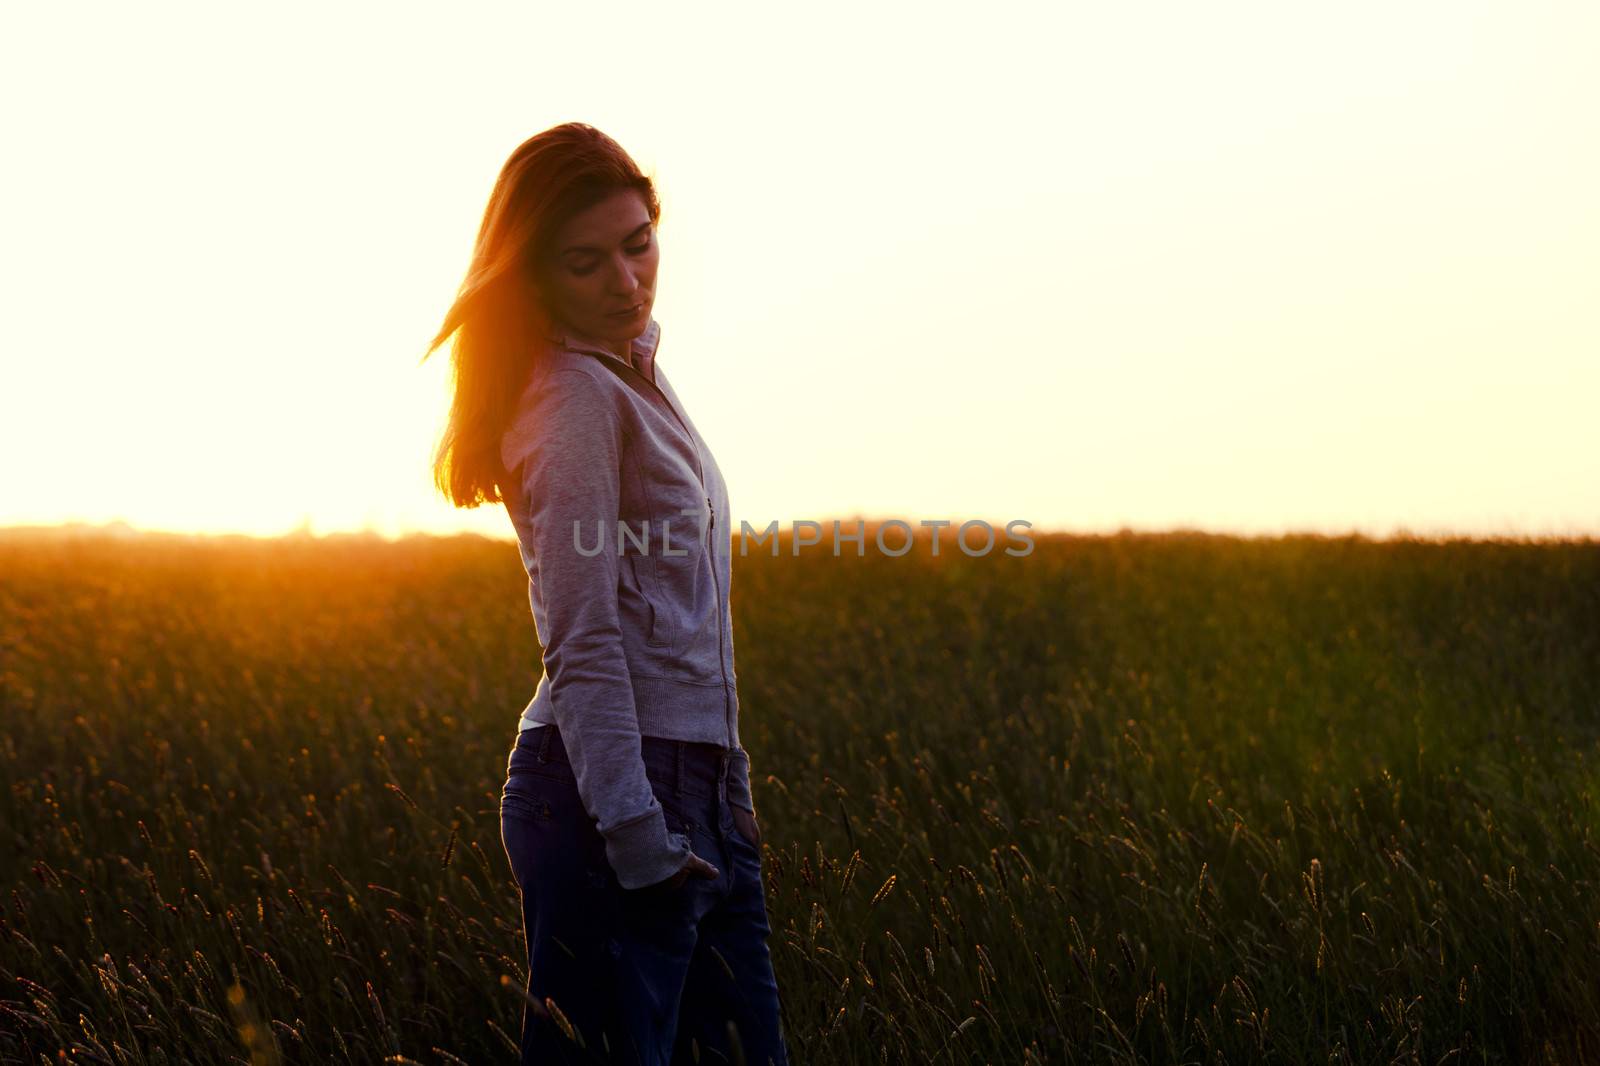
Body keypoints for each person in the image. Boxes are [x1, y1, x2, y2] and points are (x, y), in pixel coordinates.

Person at [423, 123, 789, 1065]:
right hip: (607, 797)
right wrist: (636, 836)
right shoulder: (575, 400)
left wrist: (728, 789)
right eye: (586, 263)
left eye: (638, 245)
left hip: (691, 783)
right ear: (534, 274)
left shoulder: (637, 374)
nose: (626, 282)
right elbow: (581, 638)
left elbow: (688, 619)